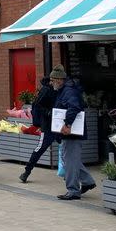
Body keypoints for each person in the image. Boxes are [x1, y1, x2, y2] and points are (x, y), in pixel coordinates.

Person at [50, 65, 96, 200]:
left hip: (72, 133)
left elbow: (74, 107)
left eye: (52, 80)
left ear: (59, 80)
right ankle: (87, 181)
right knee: (69, 159)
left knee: (70, 161)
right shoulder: (64, 90)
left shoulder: (68, 91)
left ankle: (73, 190)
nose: (51, 83)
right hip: (69, 133)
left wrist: (67, 124)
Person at [19, 70, 59, 183]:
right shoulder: (46, 90)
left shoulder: (59, 90)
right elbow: (38, 105)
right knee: (40, 148)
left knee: (68, 149)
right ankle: (27, 171)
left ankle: (82, 178)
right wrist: (48, 113)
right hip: (48, 126)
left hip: (60, 125)